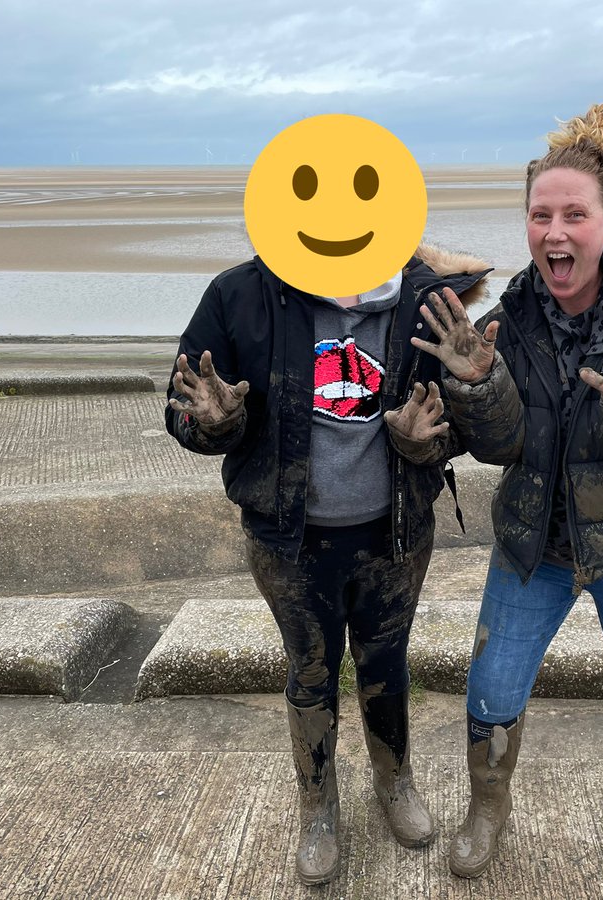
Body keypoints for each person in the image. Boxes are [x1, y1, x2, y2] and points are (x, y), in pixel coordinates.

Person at [399, 103, 603, 876]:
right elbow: (507, 443)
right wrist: (476, 386)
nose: (554, 231)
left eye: (574, 215)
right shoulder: (515, 314)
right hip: (535, 539)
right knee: (491, 686)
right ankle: (489, 807)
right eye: (540, 214)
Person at [164, 244, 490, 885]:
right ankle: (318, 806)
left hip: (395, 532)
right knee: (310, 670)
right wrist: (215, 424)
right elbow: (186, 407)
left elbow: (468, 418)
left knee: (385, 664)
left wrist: (429, 441)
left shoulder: (427, 299)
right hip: (289, 539)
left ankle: (394, 782)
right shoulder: (239, 296)